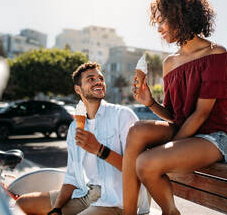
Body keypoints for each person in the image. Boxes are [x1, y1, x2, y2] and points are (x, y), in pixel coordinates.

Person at [122, 0, 227, 215]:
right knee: (136, 131)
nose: (159, 29)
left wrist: (163, 149)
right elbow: (174, 115)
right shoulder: (169, 63)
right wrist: (150, 103)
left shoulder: (216, 54)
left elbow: (202, 114)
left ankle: (171, 212)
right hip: (183, 132)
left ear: (180, 17)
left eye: (163, 21)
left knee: (146, 163)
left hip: (212, 136)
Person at [17, 62, 149, 215]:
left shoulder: (122, 115)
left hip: (117, 200)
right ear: (78, 89)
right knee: (23, 203)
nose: (98, 81)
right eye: (90, 79)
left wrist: (99, 150)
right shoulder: (75, 127)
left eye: (100, 78)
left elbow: (137, 170)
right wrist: (57, 209)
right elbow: (72, 176)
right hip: (86, 194)